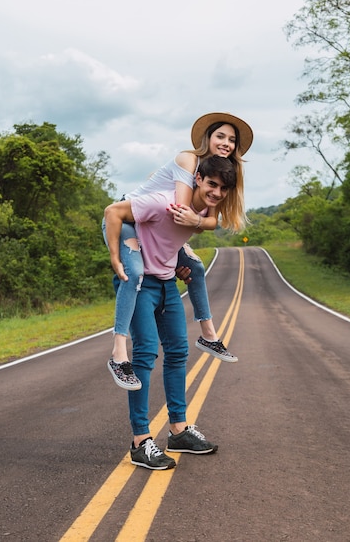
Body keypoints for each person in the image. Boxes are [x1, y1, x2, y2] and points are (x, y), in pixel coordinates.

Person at [103, 155, 237, 469]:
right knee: (146, 354)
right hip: (141, 286)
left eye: (222, 189)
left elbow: (197, 228)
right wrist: (115, 256)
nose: (216, 192)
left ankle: (178, 431)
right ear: (198, 178)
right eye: (211, 184)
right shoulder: (163, 201)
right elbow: (112, 212)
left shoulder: (202, 210)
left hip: (167, 285)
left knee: (177, 352)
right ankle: (140, 441)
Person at [104, 112, 253, 390]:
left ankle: (208, 335)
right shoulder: (190, 161)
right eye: (220, 136)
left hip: (156, 225)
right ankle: (118, 354)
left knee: (195, 267)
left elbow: (207, 221)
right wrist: (115, 256)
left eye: (232, 140)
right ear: (207, 138)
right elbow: (182, 216)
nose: (226, 143)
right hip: (129, 218)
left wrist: (192, 231)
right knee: (134, 272)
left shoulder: (217, 177)